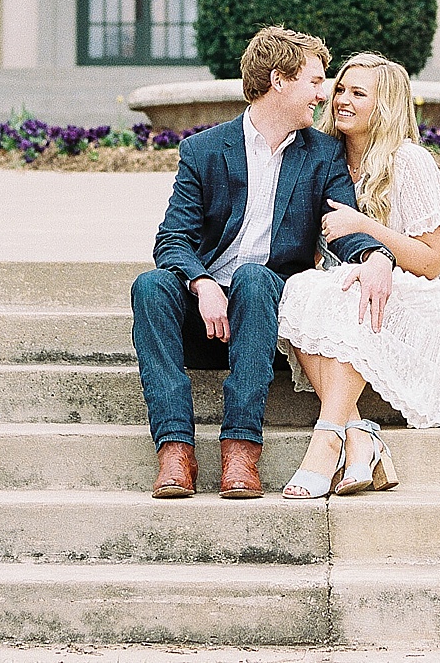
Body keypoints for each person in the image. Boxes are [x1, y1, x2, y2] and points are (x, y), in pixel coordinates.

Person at [129, 26, 390, 499]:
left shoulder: (322, 154)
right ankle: (174, 451)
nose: (323, 93)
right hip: (205, 315)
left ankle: (241, 450)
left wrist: (376, 257)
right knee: (150, 287)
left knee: (253, 277)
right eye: (315, 80)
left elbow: (342, 226)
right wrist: (202, 283)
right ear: (278, 80)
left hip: (263, 315)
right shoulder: (205, 150)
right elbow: (171, 239)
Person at [276, 52, 440, 499]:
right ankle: (358, 436)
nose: (342, 100)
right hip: (357, 286)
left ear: (386, 105)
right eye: (340, 89)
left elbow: (433, 260)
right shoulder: (322, 157)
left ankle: (326, 439)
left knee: (352, 295)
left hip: (426, 297)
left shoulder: (408, 161)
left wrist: (367, 228)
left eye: (359, 93)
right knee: (299, 290)